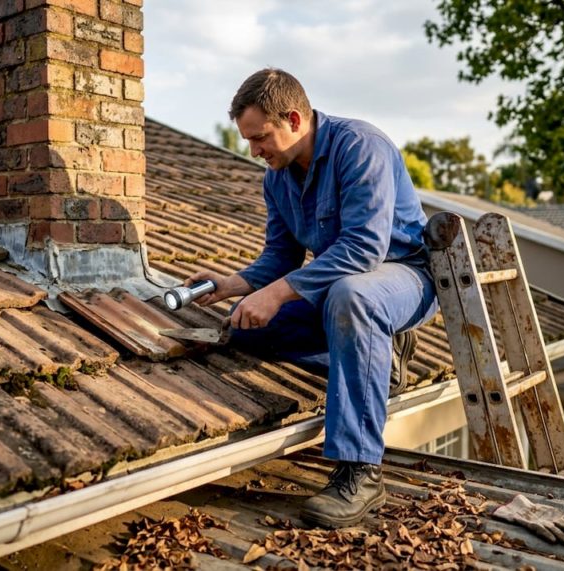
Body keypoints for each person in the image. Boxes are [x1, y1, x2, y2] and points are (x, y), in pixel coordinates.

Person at [186, 68, 438, 528]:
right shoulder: (276, 179)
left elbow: (365, 248)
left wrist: (276, 294)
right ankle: (376, 360)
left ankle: (360, 472)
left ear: (296, 119)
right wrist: (234, 285)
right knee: (243, 328)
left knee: (350, 295)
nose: (254, 151)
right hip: (340, 288)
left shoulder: (361, 147)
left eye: (260, 138)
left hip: (405, 280)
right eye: (248, 141)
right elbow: (279, 258)